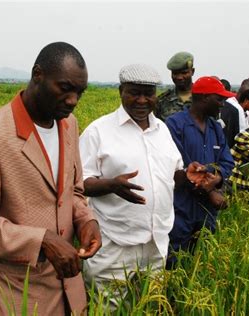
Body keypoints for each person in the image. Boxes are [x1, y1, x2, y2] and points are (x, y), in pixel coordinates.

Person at [0, 42, 101, 315]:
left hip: (70, 289)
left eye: (79, 92)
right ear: (38, 75)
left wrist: (86, 220)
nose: (73, 101)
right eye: (65, 88)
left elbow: (74, 191)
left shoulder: (69, 125)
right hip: (18, 294)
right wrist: (40, 241)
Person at [79, 64, 208, 306]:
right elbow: (78, 184)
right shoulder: (99, 131)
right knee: (107, 308)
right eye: (134, 92)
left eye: (148, 93)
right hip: (115, 244)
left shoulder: (162, 130)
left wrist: (188, 175)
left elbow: (173, 175)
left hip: (156, 243)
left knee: (149, 306)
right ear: (121, 92)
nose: (141, 100)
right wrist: (111, 185)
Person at [165, 76, 235, 269]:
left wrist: (218, 179)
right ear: (204, 97)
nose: (222, 104)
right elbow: (181, 164)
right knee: (175, 259)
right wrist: (211, 190)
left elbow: (227, 160)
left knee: (199, 262)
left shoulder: (215, 127)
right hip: (181, 205)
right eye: (219, 99)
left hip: (207, 211)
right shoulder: (174, 124)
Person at [155, 51, 194, 122]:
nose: (179, 77)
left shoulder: (203, 98)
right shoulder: (162, 101)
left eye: (184, 73)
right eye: (175, 73)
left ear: (192, 71)